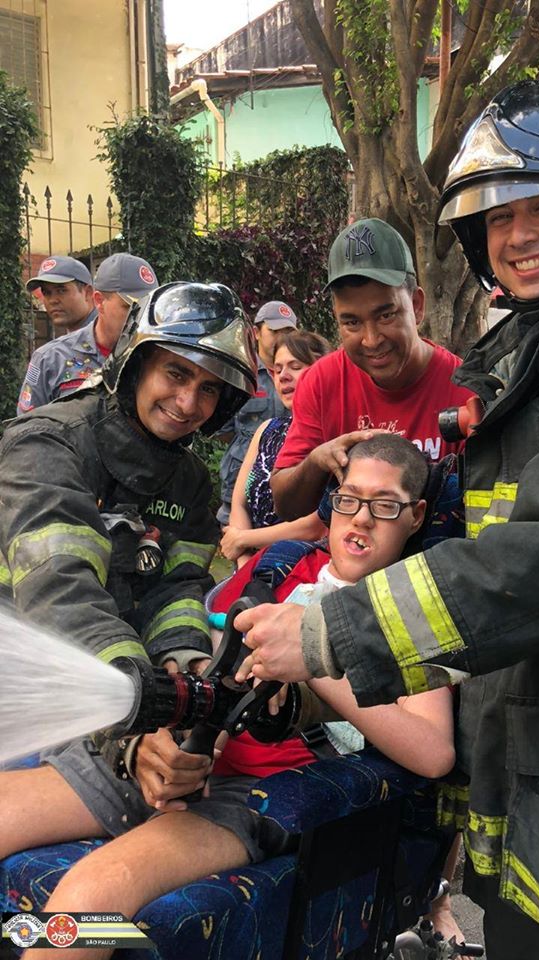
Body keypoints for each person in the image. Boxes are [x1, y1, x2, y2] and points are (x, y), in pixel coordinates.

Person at [233, 82, 539, 959]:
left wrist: (331, 632)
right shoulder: (523, 372)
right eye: (498, 217)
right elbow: (475, 571)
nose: (520, 234)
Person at [0, 436, 455, 960]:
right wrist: (157, 742)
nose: (362, 519)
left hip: (270, 791)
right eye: (349, 499)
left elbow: (434, 752)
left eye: (386, 505)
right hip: (192, 759)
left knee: (89, 898)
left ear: (416, 515)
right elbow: (212, 663)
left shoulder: (415, 611)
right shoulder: (279, 569)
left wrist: (314, 650)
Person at [0, 281, 256, 672]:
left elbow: (180, 585)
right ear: (136, 367)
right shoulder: (48, 446)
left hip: (107, 664)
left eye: (209, 388)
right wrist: (131, 687)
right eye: (175, 373)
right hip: (25, 663)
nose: (188, 403)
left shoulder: (188, 479)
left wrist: (185, 657)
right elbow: (59, 587)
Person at [270, 218, 475, 520]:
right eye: (351, 322)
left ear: (417, 306)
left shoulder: (464, 389)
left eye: (386, 314)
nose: (371, 339)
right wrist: (318, 461)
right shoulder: (321, 381)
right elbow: (286, 507)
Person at [219, 329, 332, 568]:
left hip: (306, 571)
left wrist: (243, 539)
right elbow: (239, 503)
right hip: (250, 567)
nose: (283, 376)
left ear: (325, 371)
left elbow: (319, 524)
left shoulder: (336, 435)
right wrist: (245, 563)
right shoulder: (267, 430)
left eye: (295, 366)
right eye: (278, 369)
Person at [17, 253, 158, 414]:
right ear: (99, 301)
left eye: (149, 307)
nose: (141, 316)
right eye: (130, 307)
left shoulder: (158, 353)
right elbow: (27, 430)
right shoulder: (49, 358)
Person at [216, 300, 298, 525]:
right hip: (239, 485)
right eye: (274, 331)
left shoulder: (306, 374)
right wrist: (253, 449)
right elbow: (224, 429)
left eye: (288, 331)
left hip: (287, 486)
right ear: (256, 332)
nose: (282, 337)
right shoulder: (240, 374)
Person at [25, 255, 96, 334]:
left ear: (87, 293)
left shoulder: (105, 336)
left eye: (61, 291)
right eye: (46, 293)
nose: (52, 300)